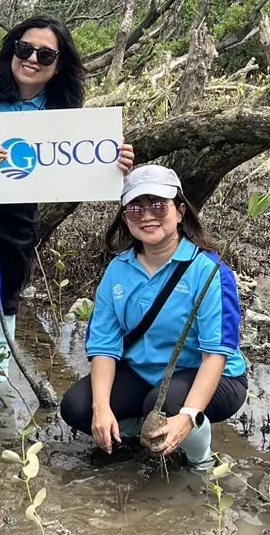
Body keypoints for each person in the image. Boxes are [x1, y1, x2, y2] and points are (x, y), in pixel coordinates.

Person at [0, 15, 133, 381]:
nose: (32, 60)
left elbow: (79, 161)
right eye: (25, 49)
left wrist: (114, 163)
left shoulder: (60, 109)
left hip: (19, 204)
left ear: (57, 67)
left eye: (45, 55)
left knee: (8, 283)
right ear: (12, 51)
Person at [59, 166, 248, 469]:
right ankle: (137, 435)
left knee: (166, 406)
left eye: (159, 206)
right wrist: (101, 408)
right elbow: (104, 347)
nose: (147, 216)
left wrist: (188, 416)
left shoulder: (208, 270)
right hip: (143, 373)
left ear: (181, 211)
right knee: (78, 407)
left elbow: (216, 354)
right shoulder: (118, 270)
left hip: (210, 375)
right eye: (136, 208)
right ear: (125, 219)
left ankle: (201, 463)